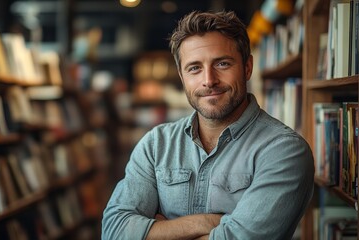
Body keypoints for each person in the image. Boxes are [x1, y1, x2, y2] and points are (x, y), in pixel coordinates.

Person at [102, 10, 314, 240]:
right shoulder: (156, 145)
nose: (209, 80)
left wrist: (159, 230)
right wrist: (209, 223)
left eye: (222, 64)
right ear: (182, 77)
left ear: (247, 67)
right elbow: (115, 232)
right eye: (194, 68)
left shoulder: (283, 151)